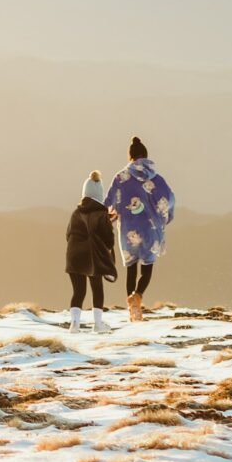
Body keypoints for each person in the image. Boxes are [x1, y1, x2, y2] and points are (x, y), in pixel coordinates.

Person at [106, 136, 176, 322]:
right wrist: (164, 216)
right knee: (147, 267)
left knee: (131, 268)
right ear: (145, 155)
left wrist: (104, 214)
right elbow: (168, 199)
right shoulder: (157, 178)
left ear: (130, 157)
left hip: (128, 229)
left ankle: (133, 310)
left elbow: (109, 201)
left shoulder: (121, 177)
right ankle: (138, 296)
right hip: (150, 229)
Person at [64, 169, 117, 332]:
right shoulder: (102, 214)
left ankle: (74, 324)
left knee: (78, 291)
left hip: (73, 255)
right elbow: (108, 240)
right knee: (97, 288)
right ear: (100, 195)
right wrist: (109, 223)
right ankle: (98, 324)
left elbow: (68, 235)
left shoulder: (76, 212)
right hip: (94, 257)